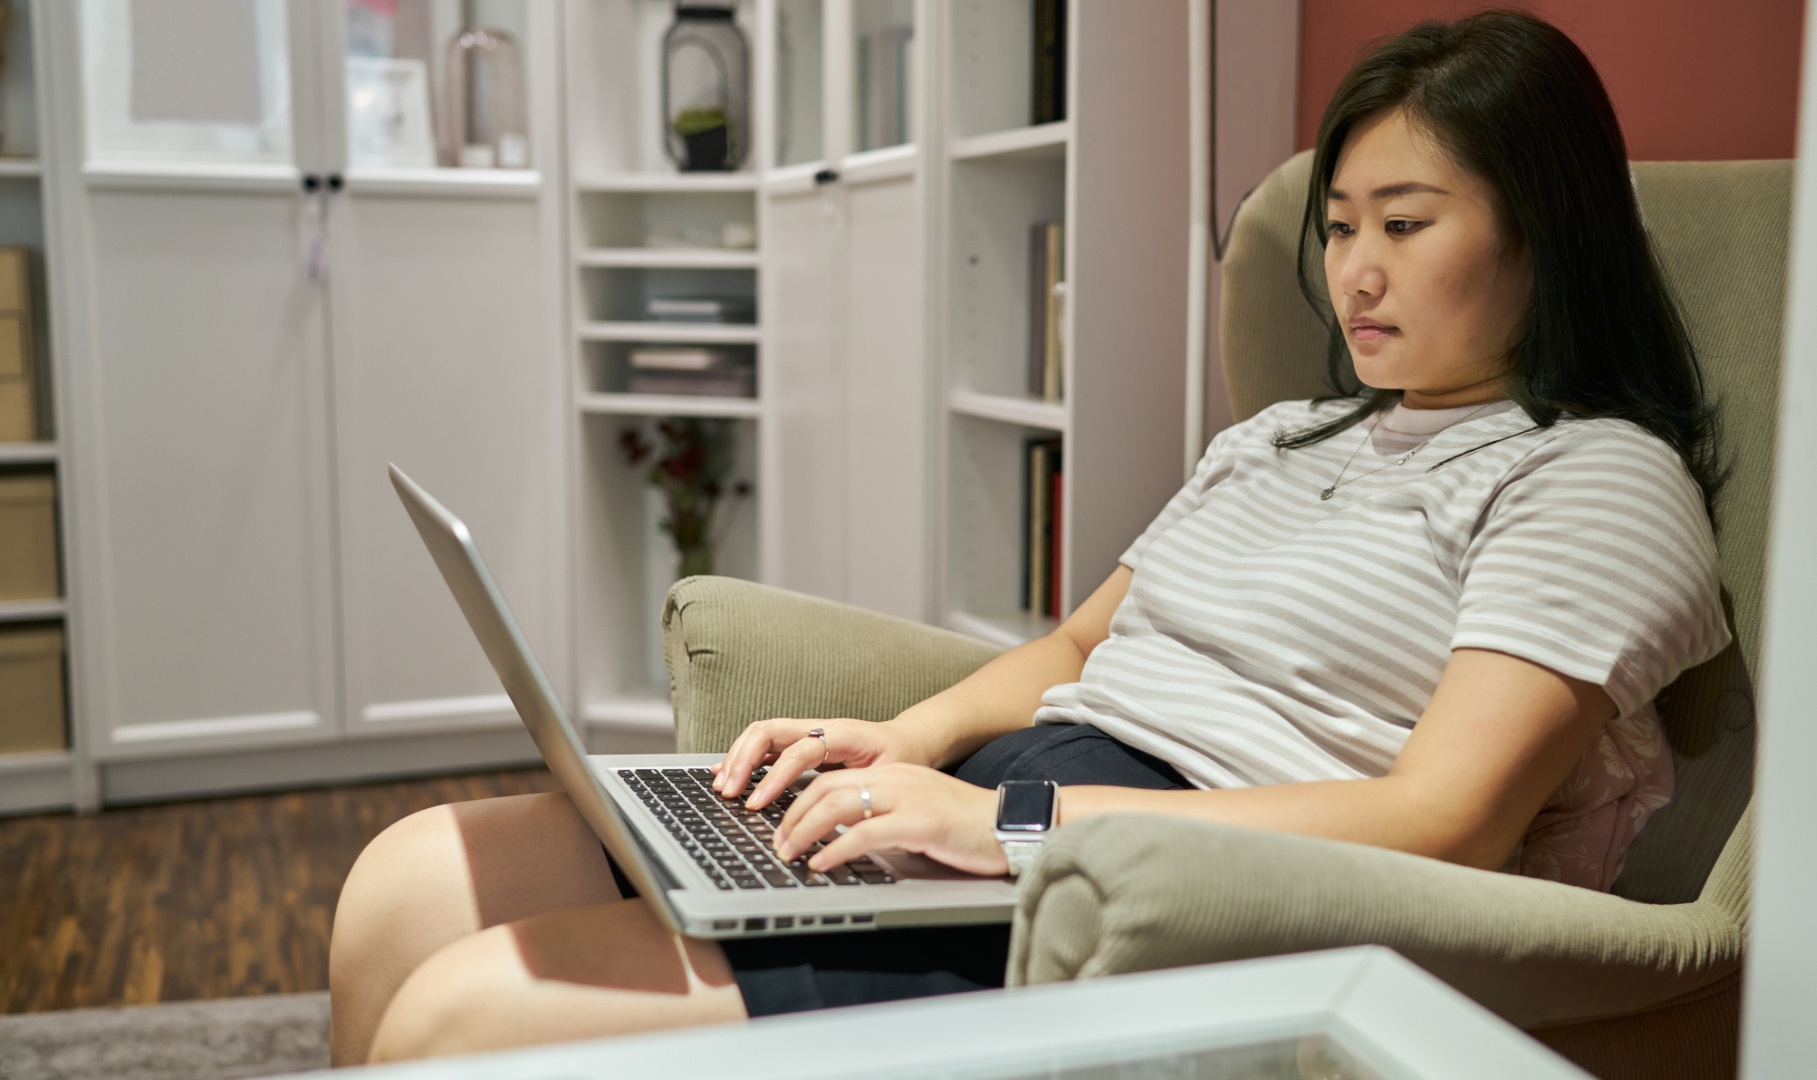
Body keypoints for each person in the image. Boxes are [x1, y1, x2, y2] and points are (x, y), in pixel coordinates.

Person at [327, 9, 1729, 1064]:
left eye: (1407, 225)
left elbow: (1449, 823)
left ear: (1543, 233)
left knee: (474, 1012)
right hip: (1010, 815)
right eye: (1342, 226)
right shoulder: (1279, 435)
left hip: (1151, 899)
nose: (1354, 273)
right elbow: (1076, 644)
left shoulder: (1594, 478)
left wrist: (1008, 829)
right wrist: (909, 745)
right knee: (406, 887)